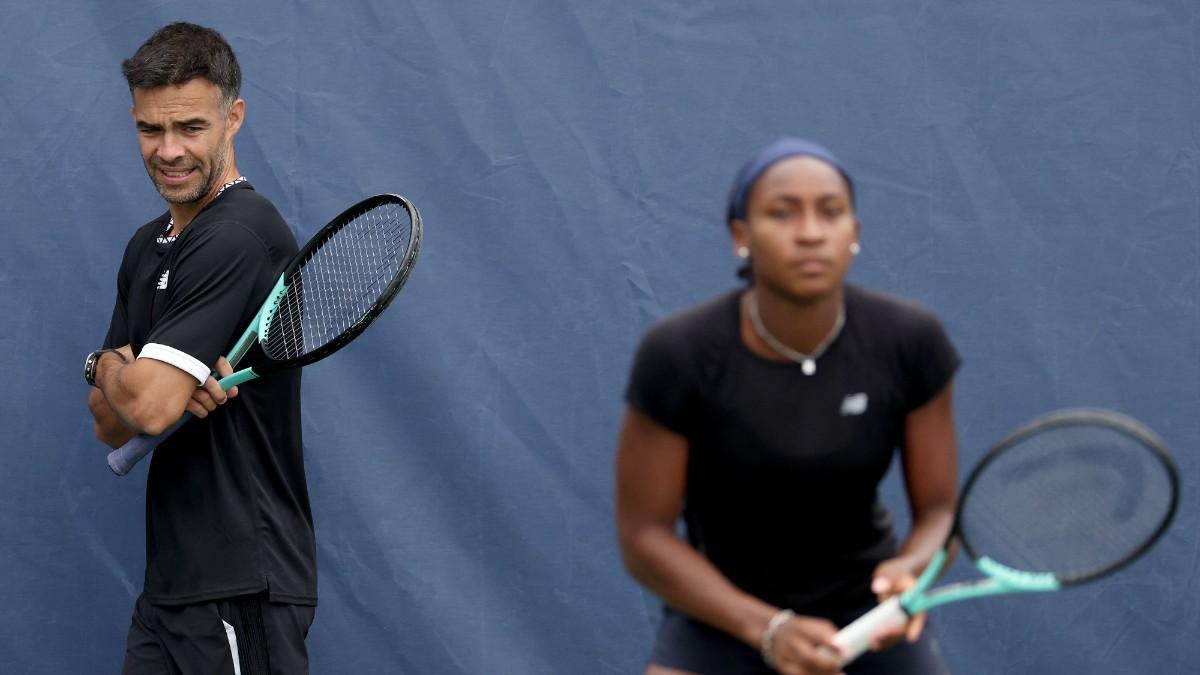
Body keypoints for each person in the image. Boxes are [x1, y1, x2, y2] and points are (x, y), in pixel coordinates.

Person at [615, 138, 960, 675]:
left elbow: (940, 512)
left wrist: (909, 576)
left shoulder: (911, 341)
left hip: (866, 619)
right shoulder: (679, 354)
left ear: (855, 234)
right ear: (740, 237)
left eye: (831, 212)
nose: (810, 233)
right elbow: (644, 536)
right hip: (722, 617)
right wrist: (766, 629)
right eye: (782, 213)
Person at [85, 23, 317, 675]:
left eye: (190, 127)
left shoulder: (239, 235)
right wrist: (116, 378)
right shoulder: (147, 246)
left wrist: (110, 366)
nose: (169, 150)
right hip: (172, 589)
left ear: (232, 117)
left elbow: (150, 409)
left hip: (241, 581)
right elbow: (107, 423)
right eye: (150, 130)